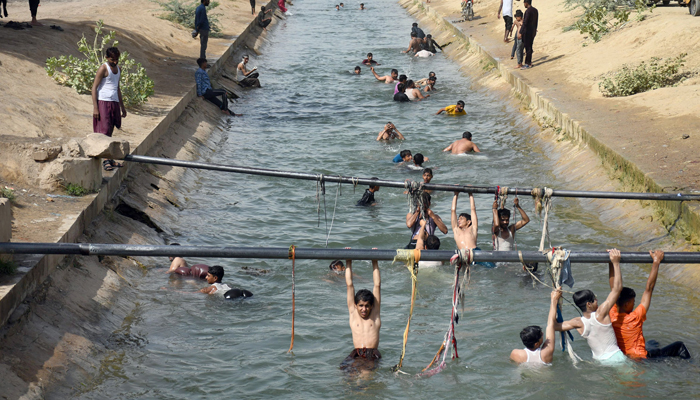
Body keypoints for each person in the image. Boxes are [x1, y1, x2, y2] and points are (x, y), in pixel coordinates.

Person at [609, 250, 691, 359]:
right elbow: (649, 288)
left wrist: (611, 262)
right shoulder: (635, 318)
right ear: (626, 304)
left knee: (652, 342)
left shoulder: (612, 313)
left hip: (626, 356)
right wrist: (656, 262)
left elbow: (614, 289)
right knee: (679, 346)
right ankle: (693, 367)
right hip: (643, 359)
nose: (634, 306)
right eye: (633, 303)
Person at [554, 249, 627, 365]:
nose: (597, 300)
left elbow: (553, 326)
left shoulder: (577, 322)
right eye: (595, 299)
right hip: (615, 358)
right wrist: (616, 263)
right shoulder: (601, 313)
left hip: (599, 362)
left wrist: (554, 301)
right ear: (589, 304)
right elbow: (617, 289)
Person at [340, 257, 381, 372]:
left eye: (367, 306)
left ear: (372, 306)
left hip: (371, 354)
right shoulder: (353, 314)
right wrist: (348, 260)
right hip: (356, 353)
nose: (364, 309)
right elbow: (349, 285)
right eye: (361, 306)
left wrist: (375, 260)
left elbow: (377, 285)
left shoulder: (374, 315)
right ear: (356, 305)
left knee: (365, 375)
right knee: (345, 374)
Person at [92, 47, 127, 171]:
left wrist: (122, 107)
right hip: (103, 102)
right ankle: (105, 160)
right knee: (104, 130)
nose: (115, 62)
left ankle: (109, 158)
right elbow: (94, 88)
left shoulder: (118, 69)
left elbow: (117, 88)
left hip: (114, 102)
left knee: (111, 129)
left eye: (117, 59)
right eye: (112, 60)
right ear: (106, 58)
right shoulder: (103, 68)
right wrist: (96, 108)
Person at [510, 290, 560, 365]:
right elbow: (550, 324)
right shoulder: (546, 352)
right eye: (541, 335)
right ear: (536, 344)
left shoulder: (516, 354)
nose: (543, 334)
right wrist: (554, 300)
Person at [519, 0, 538, 69]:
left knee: (528, 47)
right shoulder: (535, 10)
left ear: (526, 3)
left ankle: (528, 63)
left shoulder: (528, 11)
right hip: (533, 31)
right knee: (530, 46)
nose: (524, 4)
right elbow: (536, 22)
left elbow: (525, 23)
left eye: (524, 3)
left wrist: (520, 32)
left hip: (527, 32)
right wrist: (535, 30)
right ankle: (529, 62)